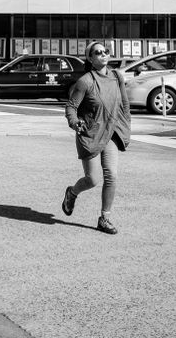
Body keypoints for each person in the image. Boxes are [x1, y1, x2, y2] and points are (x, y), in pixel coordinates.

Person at [62, 41, 131, 235]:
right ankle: (72, 192)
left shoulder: (117, 76)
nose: (103, 54)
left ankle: (104, 218)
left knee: (111, 175)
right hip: (90, 133)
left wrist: (126, 127)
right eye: (98, 52)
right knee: (93, 179)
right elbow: (71, 107)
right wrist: (74, 122)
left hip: (111, 132)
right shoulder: (85, 81)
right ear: (90, 58)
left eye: (105, 51)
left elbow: (124, 104)